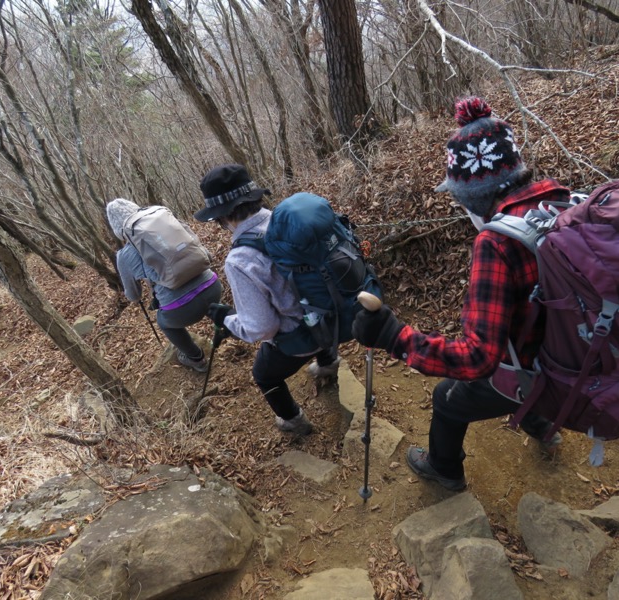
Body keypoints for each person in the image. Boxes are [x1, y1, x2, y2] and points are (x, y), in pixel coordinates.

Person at [352, 96, 565, 491]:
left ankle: (443, 469)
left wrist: (394, 337)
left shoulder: (496, 243)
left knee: (448, 399)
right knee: (517, 360)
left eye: (457, 194)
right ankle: (544, 425)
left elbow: (478, 359)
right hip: (571, 355)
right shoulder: (561, 204)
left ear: (475, 194)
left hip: (537, 369)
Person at [195, 164, 341, 436]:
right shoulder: (285, 222)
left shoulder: (239, 260)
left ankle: (293, 422)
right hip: (334, 315)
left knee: (264, 375)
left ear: (223, 216)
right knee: (307, 303)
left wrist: (228, 319)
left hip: (299, 338)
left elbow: (262, 328)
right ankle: (328, 363)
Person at [106, 198, 222, 373]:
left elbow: (133, 296)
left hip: (181, 312)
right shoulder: (168, 226)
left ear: (119, 231)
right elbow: (202, 251)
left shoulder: (124, 256)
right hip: (213, 287)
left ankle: (196, 359)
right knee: (205, 300)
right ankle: (231, 324)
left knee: (164, 322)